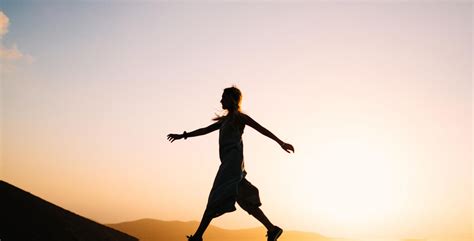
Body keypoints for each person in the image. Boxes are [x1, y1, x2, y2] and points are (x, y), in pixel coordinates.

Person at [167, 86, 294, 241]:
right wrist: (183, 135)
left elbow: (261, 129)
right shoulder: (225, 120)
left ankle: (198, 236)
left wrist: (280, 142)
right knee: (245, 200)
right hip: (231, 164)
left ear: (232, 99)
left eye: (223, 97)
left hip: (232, 165)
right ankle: (272, 229)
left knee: (216, 195)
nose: (220, 100)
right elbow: (205, 130)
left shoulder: (239, 118)